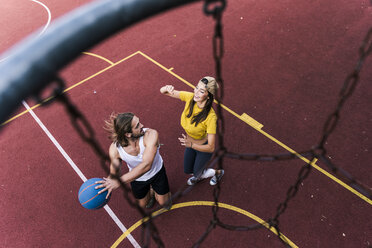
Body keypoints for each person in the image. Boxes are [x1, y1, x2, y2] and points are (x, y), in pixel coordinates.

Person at [95, 112, 171, 209]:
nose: (142, 126)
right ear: (128, 134)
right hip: (137, 178)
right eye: (137, 126)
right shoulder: (115, 149)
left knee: (165, 204)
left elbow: (147, 165)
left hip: (157, 172)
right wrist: (105, 185)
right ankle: (152, 191)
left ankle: (159, 193)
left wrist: (119, 182)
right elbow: (114, 173)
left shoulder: (151, 134)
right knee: (143, 205)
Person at [160, 76, 224, 186]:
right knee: (188, 170)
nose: (196, 92)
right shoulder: (190, 98)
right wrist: (166, 88)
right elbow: (163, 92)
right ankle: (199, 174)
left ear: (208, 96)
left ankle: (218, 172)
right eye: (196, 87)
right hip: (190, 143)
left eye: (202, 91)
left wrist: (191, 145)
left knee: (196, 173)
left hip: (203, 147)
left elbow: (211, 147)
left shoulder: (211, 117)